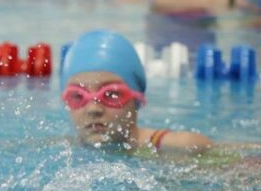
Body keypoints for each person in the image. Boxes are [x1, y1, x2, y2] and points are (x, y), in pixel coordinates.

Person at [62, 30, 213, 153]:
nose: (93, 109)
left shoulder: (180, 147)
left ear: (138, 100)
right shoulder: (64, 149)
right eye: (77, 96)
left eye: (111, 94)